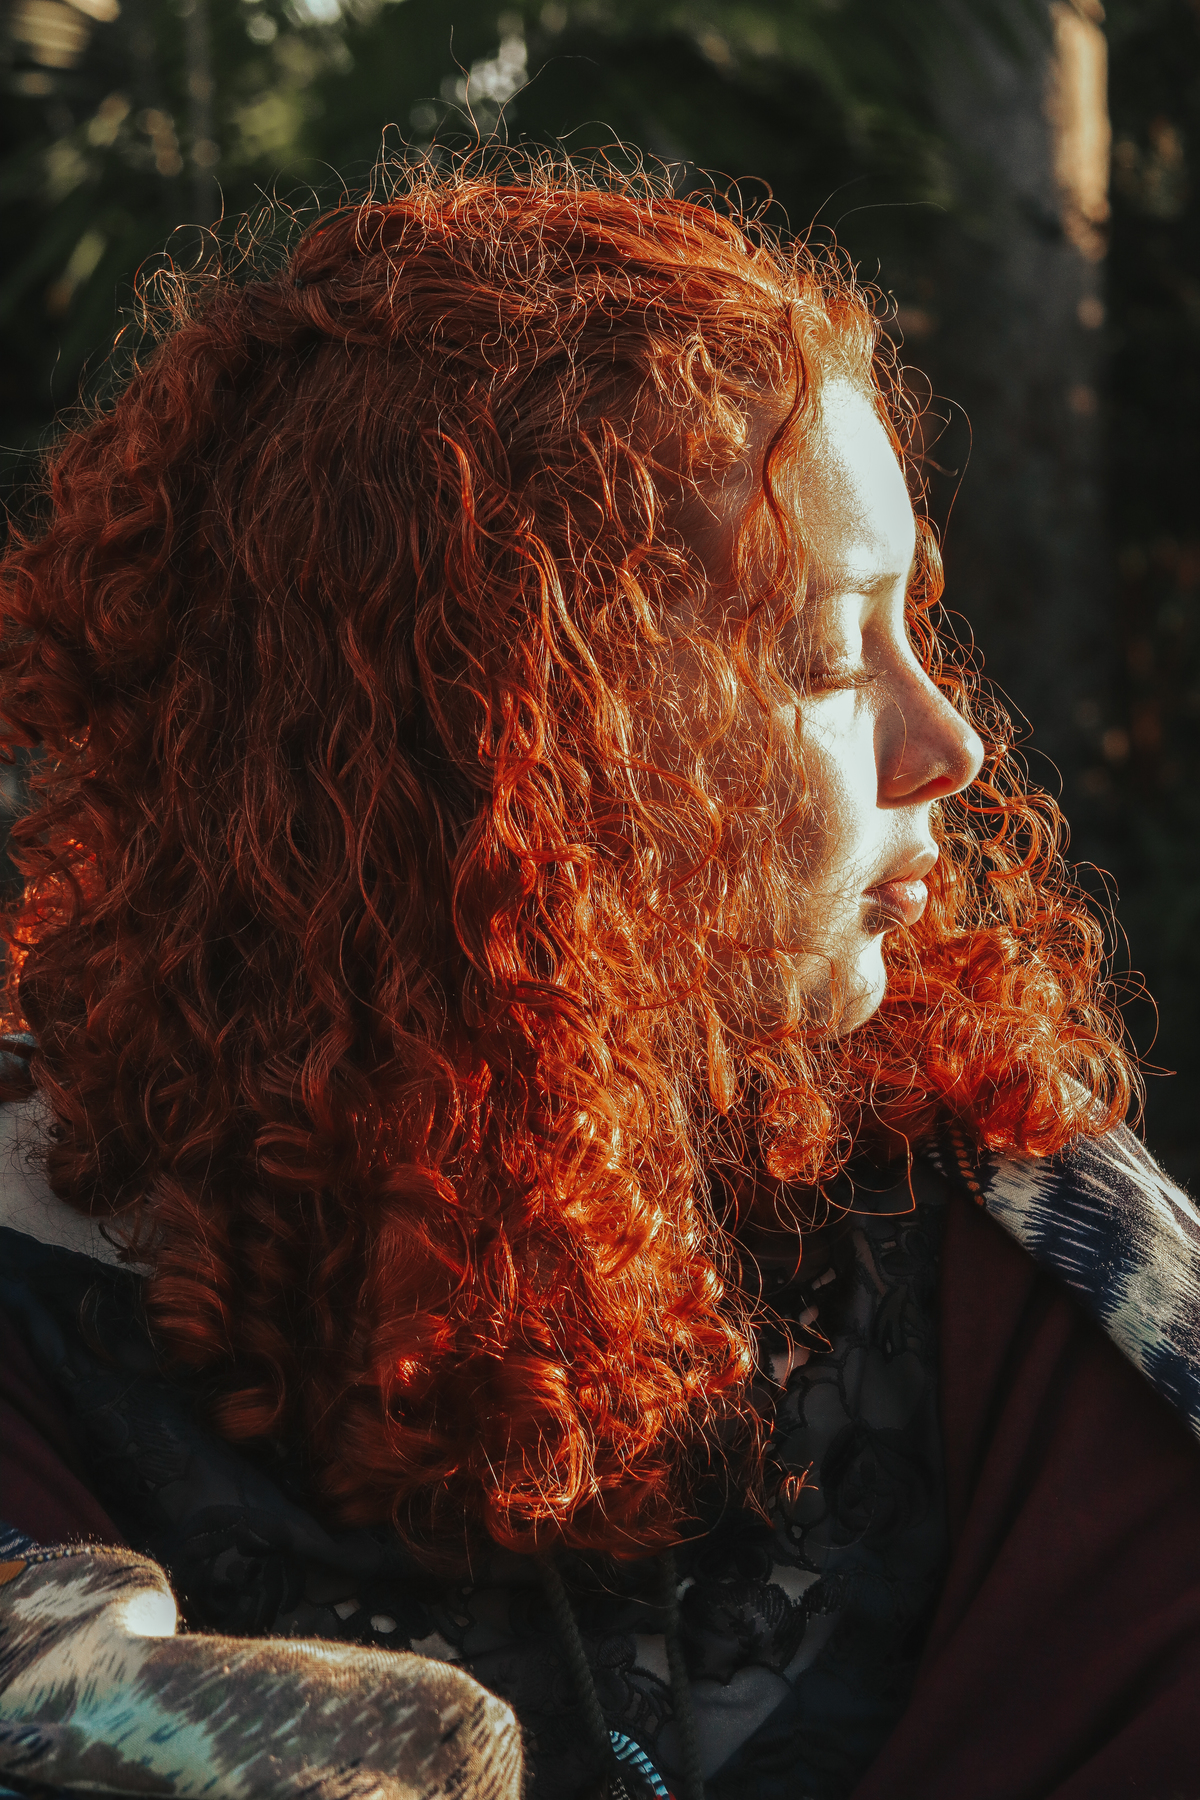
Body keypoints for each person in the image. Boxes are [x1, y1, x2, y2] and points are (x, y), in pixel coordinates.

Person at [2, 157, 1200, 1800]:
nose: (950, 744)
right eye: (827, 658)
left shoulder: (1001, 1233)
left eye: (914, 626)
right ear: (505, 747)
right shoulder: (38, 1309)